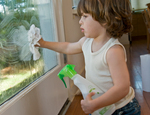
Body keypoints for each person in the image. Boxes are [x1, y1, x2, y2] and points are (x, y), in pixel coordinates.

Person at [35, 0, 141, 114]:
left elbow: (122, 88)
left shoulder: (113, 51)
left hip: (122, 109)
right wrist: (43, 43)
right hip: (102, 106)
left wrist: (95, 104)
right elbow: (67, 47)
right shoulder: (86, 42)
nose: (80, 21)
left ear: (105, 19)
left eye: (85, 16)